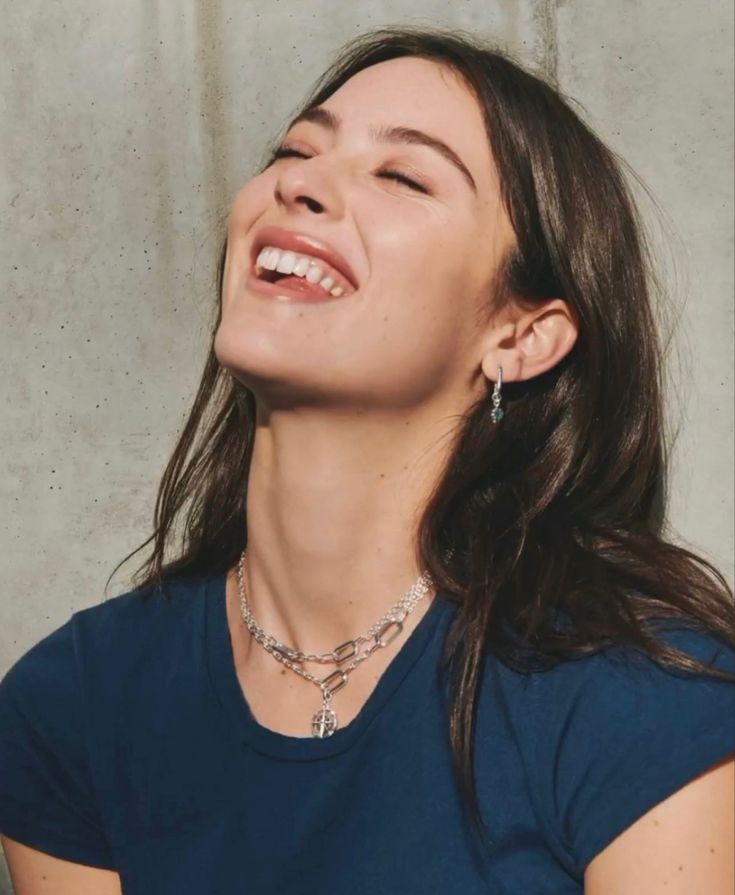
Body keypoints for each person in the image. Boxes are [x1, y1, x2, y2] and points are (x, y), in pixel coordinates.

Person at [1, 25, 733, 895]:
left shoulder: (640, 696)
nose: (298, 184)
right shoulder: (74, 704)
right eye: (293, 150)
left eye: (401, 175)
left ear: (521, 336)